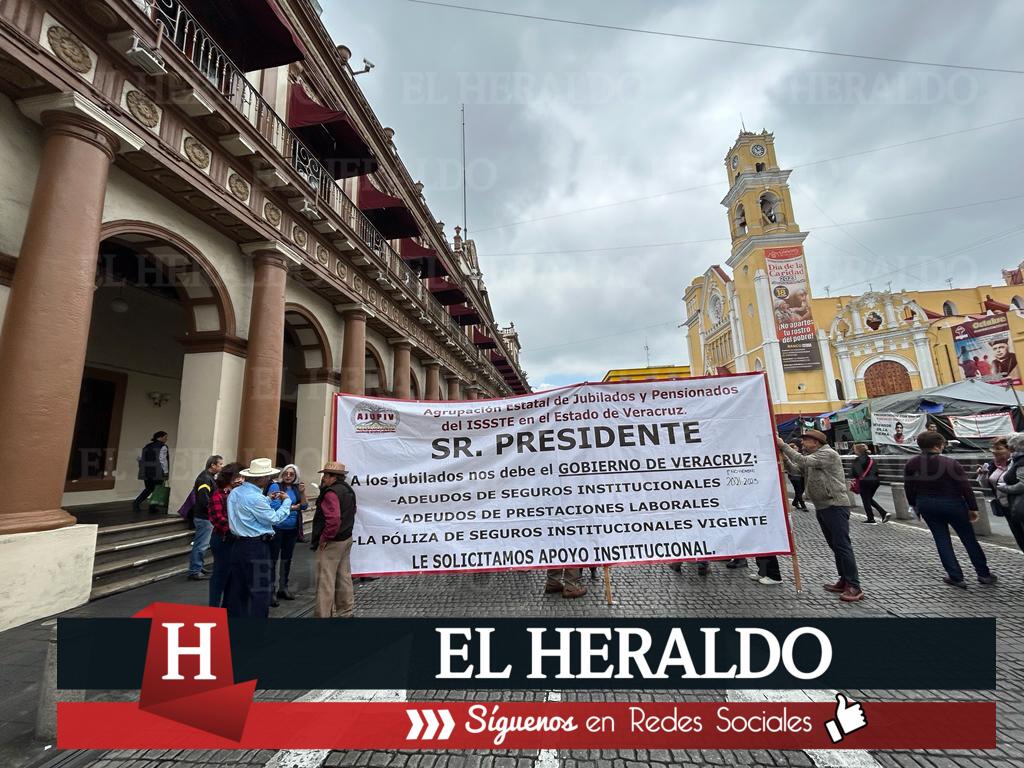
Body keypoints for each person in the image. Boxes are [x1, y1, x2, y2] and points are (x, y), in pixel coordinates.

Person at [777, 431, 865, 602]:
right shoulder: (814, 456)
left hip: (835, 505)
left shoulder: (828, 454)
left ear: (816, 442)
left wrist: (783, 446)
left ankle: (854, 586)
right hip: (823, 506)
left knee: (842, 546)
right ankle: (844, 579)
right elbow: (796, 469)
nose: (802, 443)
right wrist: (784, 457)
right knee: (835, 546)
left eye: (805, 440)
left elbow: (803, 461)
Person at [905, 431, 996, 589]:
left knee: (941, 539)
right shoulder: (950, 463)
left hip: (926, 503)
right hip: (953, 503)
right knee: (968, 538)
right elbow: (965, 486)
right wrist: (973, 507)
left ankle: (955, 576)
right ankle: (984, 574)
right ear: (937, 446)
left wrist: (914, 505)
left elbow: (909, 487)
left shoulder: (911, 463)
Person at [225, 458, 289, 617]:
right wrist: (286, 503)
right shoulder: (255, 498)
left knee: (237, 588)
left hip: (238, 544)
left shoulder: (235, 492)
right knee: (260, 590)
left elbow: (248, 508)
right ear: (261, 478)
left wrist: (268, 499)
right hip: (256, 546)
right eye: (268, 476)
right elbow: (273, 518)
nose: (269, 479)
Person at [312, 460, 358, 617]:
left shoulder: (331, 493)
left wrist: (324, 537)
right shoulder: (348, 490)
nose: (323, 478)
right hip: (346, 537)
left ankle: (323, 615)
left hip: (333, 541)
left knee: (325, 579)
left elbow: (333, 519)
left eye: (325, 475)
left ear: (333, 477)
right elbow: (353, 510)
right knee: (343, 576)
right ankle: (346, 611)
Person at [267, 463, 308, 605]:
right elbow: (274, 506)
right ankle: (270, 591)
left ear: (296, 476)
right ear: (282, 474)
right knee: (272, 559)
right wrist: (294, 507)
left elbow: (304, 506)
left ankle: (283, 587)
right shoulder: (275, 487)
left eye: (292, 474)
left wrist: (302, 493)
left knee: (287, 559)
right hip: (277, 527)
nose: (288, 476)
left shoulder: (296, 488)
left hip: (292, 528)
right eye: (286, 473)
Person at [208, 461, 244, 608]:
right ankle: (214, 608)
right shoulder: (218, 495)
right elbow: (218, 519)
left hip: (237, 539)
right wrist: (237, 528)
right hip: (223, 539)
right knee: (220, 574)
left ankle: (228, 608)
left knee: (233, 576)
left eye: (242, 477)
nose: (241, 480)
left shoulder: (240, 494)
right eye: (238, 477)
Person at [187, 455, 223, 580]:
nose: (221, 466)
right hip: (204, 517)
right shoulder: (205, 479)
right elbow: (204, 499)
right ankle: (195, 570)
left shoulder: (208, 478)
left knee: (202, 543)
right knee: (201, 544)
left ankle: (198, 566)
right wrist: (213, 512)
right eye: (220, 464)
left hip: (204, 517)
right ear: (213, 465)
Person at [994, 434, 1024, 557]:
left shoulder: (1020, 461)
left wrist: (1004, 488)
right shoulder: (1015, 460)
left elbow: (1022, 484)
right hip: (1012, 505)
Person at [134, 431, 170, 513]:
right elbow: (163, 460)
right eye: (165, 437)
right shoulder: (163, 447)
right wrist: (166, 472)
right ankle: (152, 508)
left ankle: (136, 503)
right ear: (160, 437)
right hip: (157, 471)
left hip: (146, 471)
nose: (166, 439)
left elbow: (141, 458)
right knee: (157, 489)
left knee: (149, 488)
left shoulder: (147, 446)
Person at [850, 444, 887, 524]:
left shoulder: (858, 460)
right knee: (868, 499)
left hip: (865, 482)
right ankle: (883, 513)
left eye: (855, 449)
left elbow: (854, 473)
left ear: (858, 451)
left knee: (866, 500)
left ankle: (871, 518)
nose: (854, 451)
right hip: (875, 481)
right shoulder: (871, 459)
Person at [786, 439, 807, 510]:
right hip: (793, 475)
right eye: (795, 448)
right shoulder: (789, 457)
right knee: (798, 490)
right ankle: (803, 505)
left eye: (797, 447)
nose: (797, 448)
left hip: (801, 475)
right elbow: (790, 465)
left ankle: (795, 502)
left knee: (802, 490)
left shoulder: (800, 455)